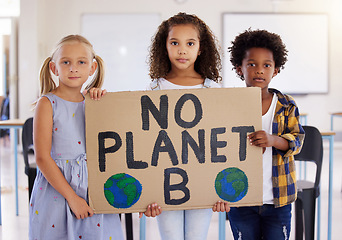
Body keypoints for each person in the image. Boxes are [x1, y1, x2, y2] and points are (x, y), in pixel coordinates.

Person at [29, 34, 125, 240]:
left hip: (94, 189)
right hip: (57, 192)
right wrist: (72, 198)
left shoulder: (95, 102)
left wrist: (101, 104)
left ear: (92, 68)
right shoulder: (47, 104)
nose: (74, 68)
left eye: (81, 62)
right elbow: (42, 158)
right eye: (66, 62)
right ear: (54, 68)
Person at [147, 12, 230, 240]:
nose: (182, 50)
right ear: (165, 47)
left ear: (201, 48)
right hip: (165, 183)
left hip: (202, 182)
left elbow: (224, 141)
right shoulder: (154, 90)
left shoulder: (213, 91)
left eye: (190, 43)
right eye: (175, 43)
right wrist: (148, 192)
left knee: (196, 236)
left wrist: (220, 188)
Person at [227, 29, 305, 239]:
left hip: (278, 200)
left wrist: (273, 140)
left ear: (276, 70)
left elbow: (297, 141)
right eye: (251, 64)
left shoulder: (286, 105)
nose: (259, 70)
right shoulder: (230, 105)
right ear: (239, 69)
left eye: (266, 65)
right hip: (242, 199)